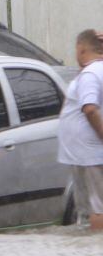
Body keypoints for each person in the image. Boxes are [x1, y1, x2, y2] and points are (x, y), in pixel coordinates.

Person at [57, 29, 103, 229]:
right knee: (89, 211)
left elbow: (90, 108)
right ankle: (88, 244)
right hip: (85, 154)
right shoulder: (92, 71)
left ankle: (95, 245)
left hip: (90, 154)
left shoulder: (91, 74)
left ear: (81, 49)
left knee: (97, 208)